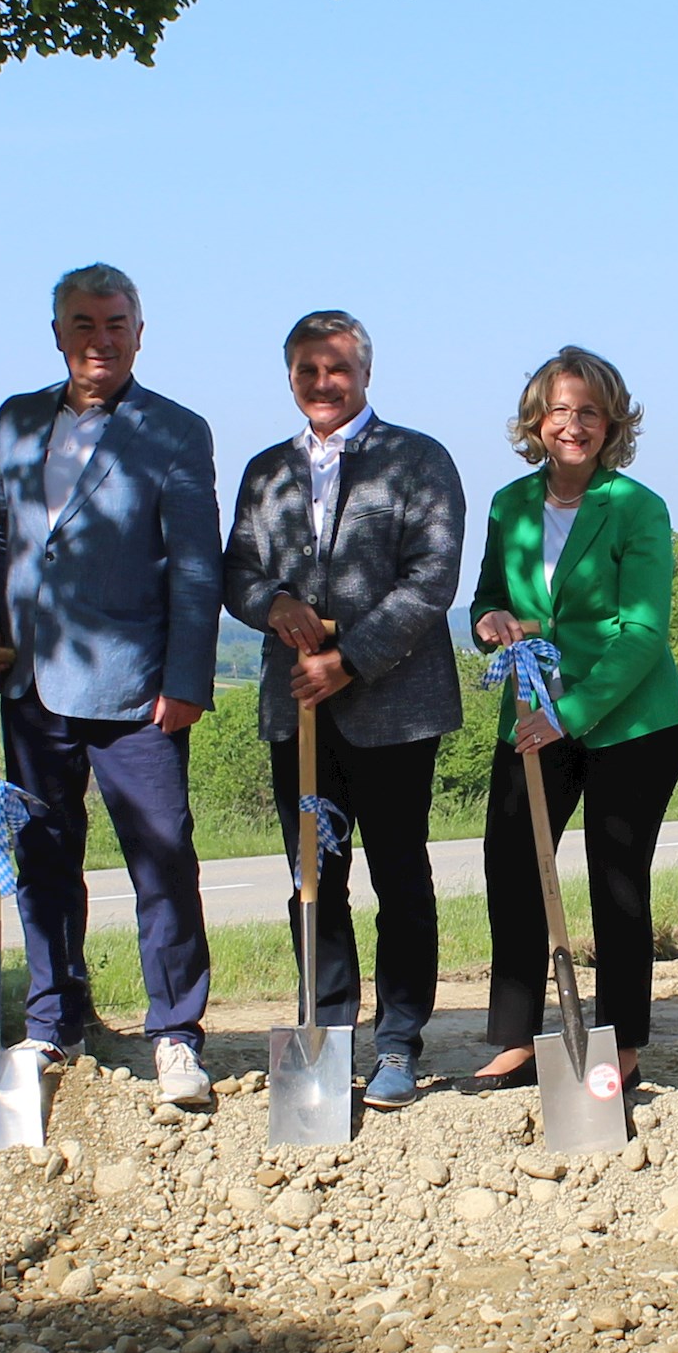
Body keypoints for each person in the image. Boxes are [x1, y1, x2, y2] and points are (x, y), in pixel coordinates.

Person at [0, 263, 224, 1109]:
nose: (99, 339)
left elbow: (195, 566)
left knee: (163, 861)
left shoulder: (176, 431)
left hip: (136, 690)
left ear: (139, 333)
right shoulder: (14, 419)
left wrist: (185, 678)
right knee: (41, 860)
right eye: (83, 323)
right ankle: (55, 1017)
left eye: (115, 324)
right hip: (33, 684)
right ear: (58, 333)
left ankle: (178, 1035)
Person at [222, 309, 466, 1111]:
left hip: (394, 709)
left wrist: (349, 659)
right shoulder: (265, 471)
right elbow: (238, 573)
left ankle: (398, 1040)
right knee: (312, 877)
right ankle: (325, 1031)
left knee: (400, 875)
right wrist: (276, 603)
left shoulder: (418, 459)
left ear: (366, 372)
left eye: (337, 369)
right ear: (289, 375)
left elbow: (432, 579)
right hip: (299, 715)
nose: (322, 384)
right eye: (306, 370)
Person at [469, 347, 678, 1097]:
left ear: (612, 423)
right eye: (559, 410)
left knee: (614, 879)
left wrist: (571, 715)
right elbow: (486, 598)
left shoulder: (638, 508)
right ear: (536, 421)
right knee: (512, 865)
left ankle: (622, 1042)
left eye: (589, 411)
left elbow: (643, 634)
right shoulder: (508, 505)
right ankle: (518, 1038)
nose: (573, 424)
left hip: (631, 723)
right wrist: (490, 618)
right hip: (531, 715)